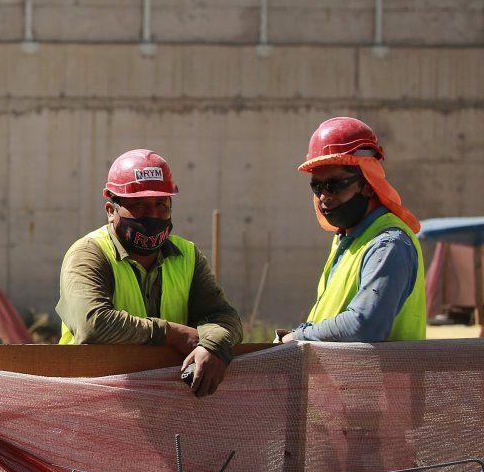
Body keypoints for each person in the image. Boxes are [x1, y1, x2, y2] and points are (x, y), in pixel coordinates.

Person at [56, 149, 243, 397]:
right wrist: (170, 334)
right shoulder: (89, 254)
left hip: (164, 401)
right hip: (92, 400)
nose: (152, 215)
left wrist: (213, 344)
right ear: (111, 209)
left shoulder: (187, 255)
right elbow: (93, 324)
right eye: (139, 205)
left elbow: (224, 317)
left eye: (161, 205)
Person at [279, 117, 425, 343]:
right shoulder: (346, 240)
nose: (324, 196)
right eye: (317, 187)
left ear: (367, 184)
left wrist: (298, 337)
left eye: (334, 185)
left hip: (380, 380)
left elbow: (365, 324)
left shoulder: (388, 244)